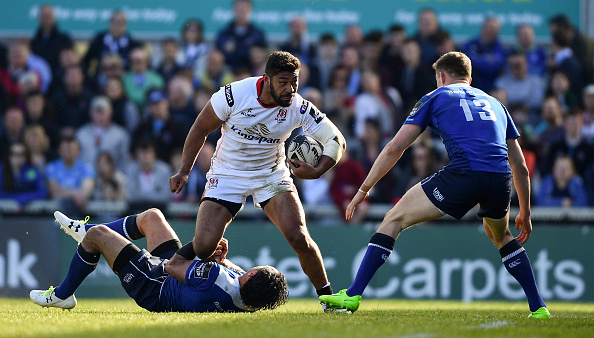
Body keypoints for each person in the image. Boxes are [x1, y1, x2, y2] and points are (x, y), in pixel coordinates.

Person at [319, 51, 550, 319]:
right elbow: (520, 165)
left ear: (441, 76)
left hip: (464, 174)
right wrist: (526, 211)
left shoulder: (436, 96)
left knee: (394, 218)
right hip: (500, 179)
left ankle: (353, 294)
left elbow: (396, 147)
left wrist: (364, 189)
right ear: (470, 78)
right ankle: (539, 308)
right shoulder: (496, 104)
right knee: (501, 236)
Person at [169, 51, 346, 305]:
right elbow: (200, 128)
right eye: (283, 82)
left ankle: (329, 299)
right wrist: (185, 170)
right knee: (205, 246)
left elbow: (337, 139)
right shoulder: (234, 95)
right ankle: (214, 270)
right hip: (227, 172)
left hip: (270, 174)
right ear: (267, 79)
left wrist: (318, 171)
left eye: (294, 82)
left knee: (299, 237)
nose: (290, 89)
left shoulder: (298, 106)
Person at [30, 208, 288, 312]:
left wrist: (202, 246)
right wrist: (220, 260)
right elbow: (229, 274)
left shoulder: (216, 278)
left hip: (155, 285)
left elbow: (174, 266)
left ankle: (63, 294)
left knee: (97, 236)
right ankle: (83, 232)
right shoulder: (249, 300)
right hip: (175, 279)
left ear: (253, 275)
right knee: (152, 217)